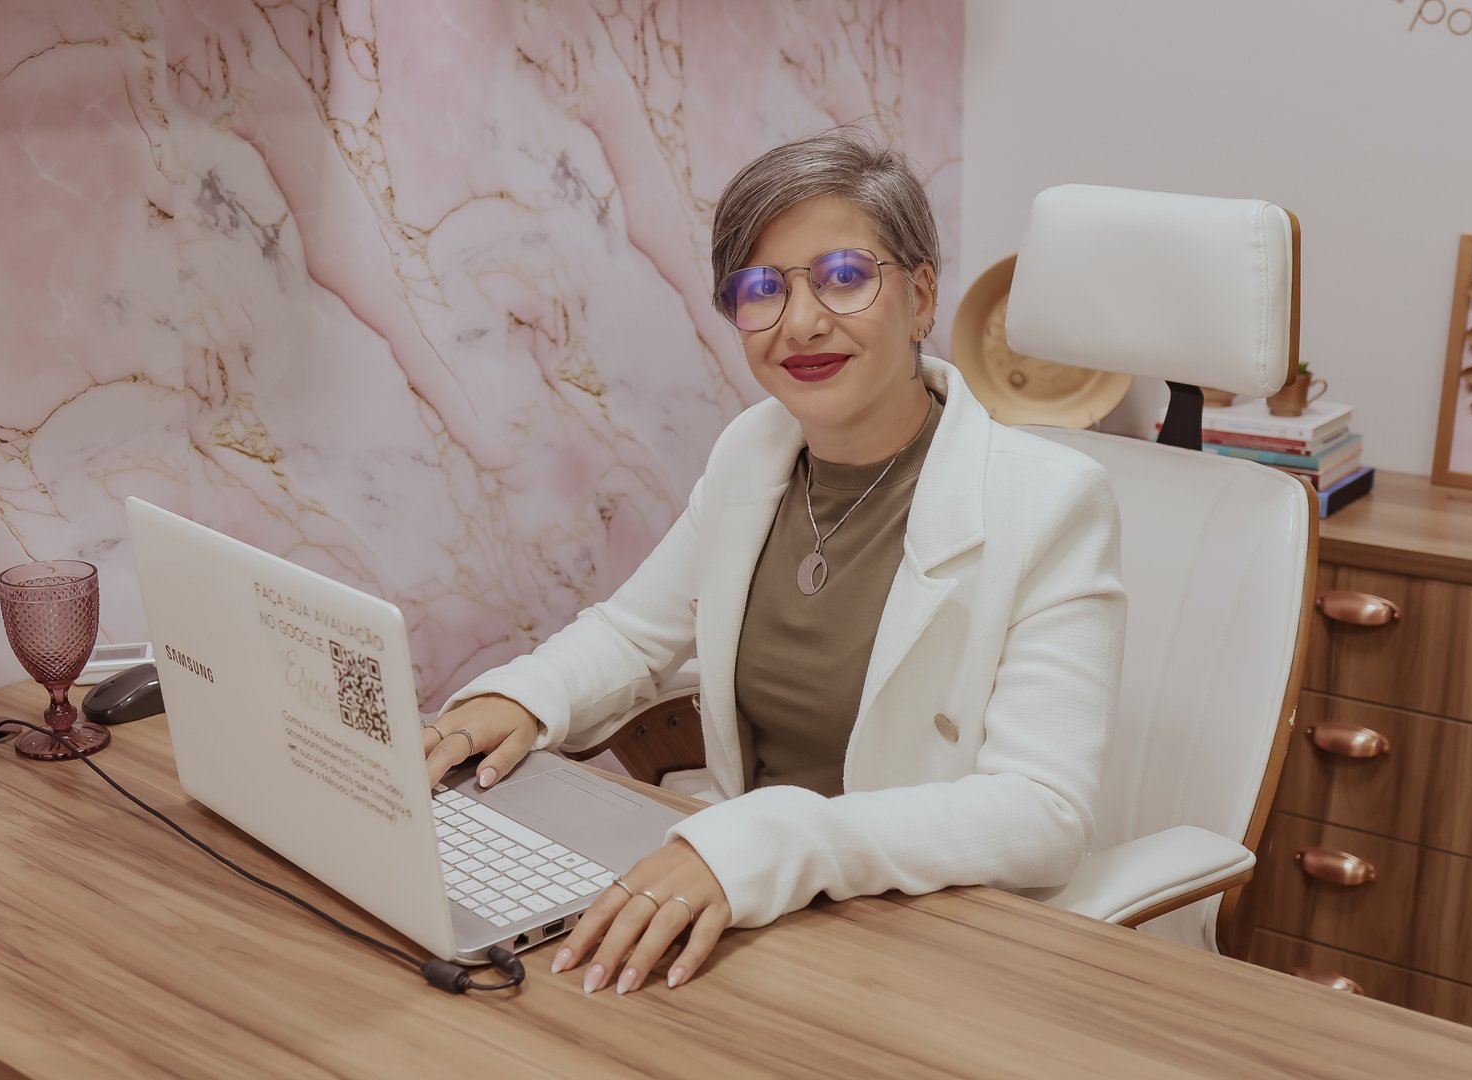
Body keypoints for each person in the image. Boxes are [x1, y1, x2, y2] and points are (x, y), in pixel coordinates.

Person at [429, 125, 1125, 996]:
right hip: (749, 906)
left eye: (843, 277)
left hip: (919, 932)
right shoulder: (753, 453)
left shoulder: (1052, 501)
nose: (800, 322)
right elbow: (634, 636)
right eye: (761, 288)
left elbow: (1042, 814)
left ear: (920, 295)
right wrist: (517, 696)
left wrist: (774, 841)